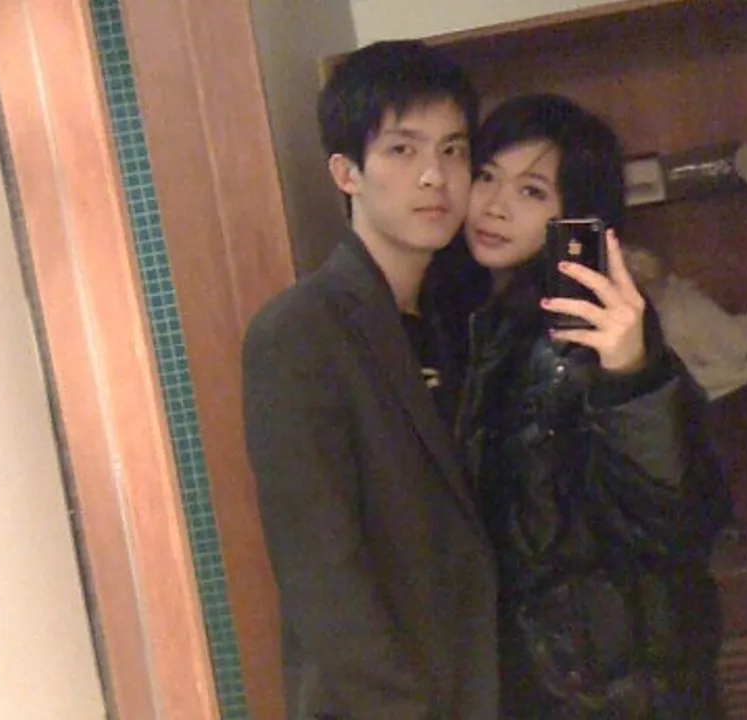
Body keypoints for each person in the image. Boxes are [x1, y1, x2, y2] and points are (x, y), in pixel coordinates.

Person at [434, 94, 733, 718]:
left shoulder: (596, 341)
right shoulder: (483, 329)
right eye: (487, 176)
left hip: (615, 693)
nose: (494, 205)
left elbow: (678, 523)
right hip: (547, 684)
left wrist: (632, 377)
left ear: (576, 217)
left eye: (532, 191)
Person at [242, 41, 498, 720]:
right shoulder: (300, 331)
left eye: (453, 150)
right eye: (402, 150)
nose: (434, 176)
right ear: (346, 172)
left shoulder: (455, 322)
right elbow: (323, 577)